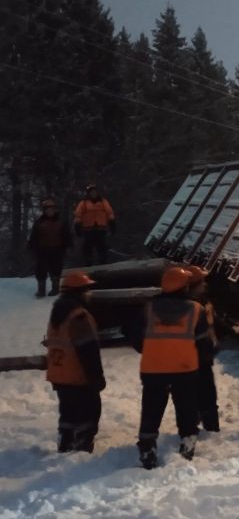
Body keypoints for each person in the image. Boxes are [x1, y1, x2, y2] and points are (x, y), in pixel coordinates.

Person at [135, 267, 213, 469]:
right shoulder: (196, 309)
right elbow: (204, 343)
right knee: (186, 409)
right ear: (185, 286)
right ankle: (187, 445)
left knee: (151, 410)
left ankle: (147, 448)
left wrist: (149, 349)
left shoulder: (148, 308)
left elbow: (133, 334)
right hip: (185, 370)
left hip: (152, 370)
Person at [44, 271, 105, 453]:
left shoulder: (58, 313)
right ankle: (83, 445)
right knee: (89, 410)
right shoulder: (79, 316)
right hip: (78, 375)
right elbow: (88, 350)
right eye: (87, 290)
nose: (90, 294)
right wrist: (96, 376)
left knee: (68, 411)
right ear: (80, 292)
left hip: (59, 373)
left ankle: (66, 440)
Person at [186, 265, 220, 432]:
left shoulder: (203, 300)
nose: (205, 284)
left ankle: (208, 426)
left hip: (204, 356)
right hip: (193, 358)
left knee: (206, 395)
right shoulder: (190, 306)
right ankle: (204, 428)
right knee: (202, 395)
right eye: (202, 281)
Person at [28, 198, 73, 298]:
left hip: (57, 249)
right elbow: (34, 237)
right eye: (47, 209)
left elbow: (67, 236)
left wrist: (68, 247)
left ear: (55, 209)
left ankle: (55, 288)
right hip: (42, 249)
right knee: (40, 269)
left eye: (51, 208)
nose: (50, 210)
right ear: (44, 210)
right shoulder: (39, 222)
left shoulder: (61, 222)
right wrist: (32, 248)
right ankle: (41, 290)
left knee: (56, 269)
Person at [73, 185, 115, 266]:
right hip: (88, 229)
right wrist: (77, 224)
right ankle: (88, 263)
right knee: (87, 246)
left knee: (102, 246)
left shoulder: (103, 202)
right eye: (91, 192)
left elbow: (110, 212)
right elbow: (78, 214)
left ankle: (103, 263)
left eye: (94, 192)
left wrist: (112, 222)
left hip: (101, 228)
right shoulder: (83, 203)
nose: (93, 193)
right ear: (88, 193)